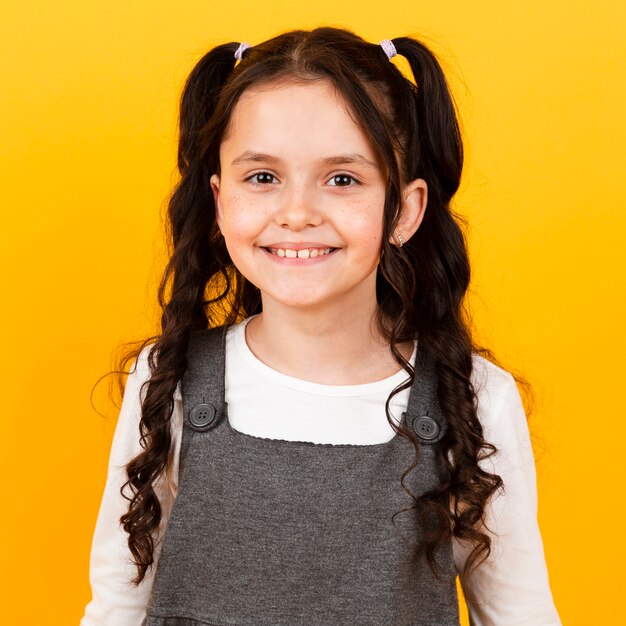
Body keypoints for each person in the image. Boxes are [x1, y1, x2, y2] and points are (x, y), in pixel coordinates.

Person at [80, 27, 561, 625]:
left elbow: (522, 614)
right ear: (220, 200)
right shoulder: (169, 380)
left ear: (404, 210)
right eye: (262, 177)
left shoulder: (473, 399)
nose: (298, 213)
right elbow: (117, 605)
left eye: (342, 179)